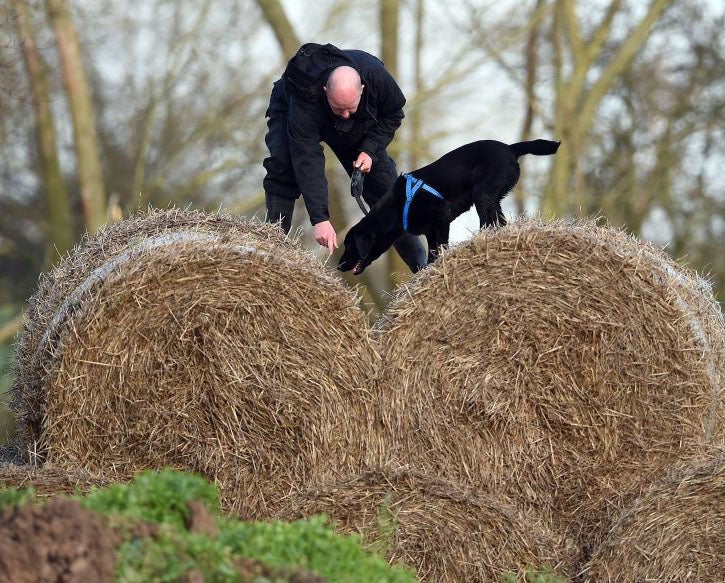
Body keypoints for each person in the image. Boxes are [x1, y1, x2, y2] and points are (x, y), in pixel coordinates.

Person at [262, 43, 427, 273]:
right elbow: (307, 158)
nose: (346, 114)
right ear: (326, 92)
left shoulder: (376, 77)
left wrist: (369, 150)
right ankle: (269, 248)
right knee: (284, 166)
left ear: (362, 88)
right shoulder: (305, 99)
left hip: (359, 128)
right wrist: (320, 218)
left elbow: (393, 114)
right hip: (291, 104)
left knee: (387, 193)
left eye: (351, 107)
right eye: (340, 109)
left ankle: (425, 270)